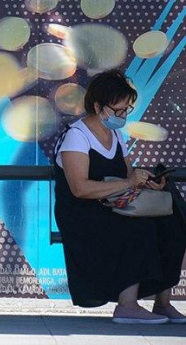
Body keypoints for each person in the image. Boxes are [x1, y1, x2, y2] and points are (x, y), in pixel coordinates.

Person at [53, 69, 186, 324]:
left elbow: (127, 176)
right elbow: (79, 188)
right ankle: (127, 305)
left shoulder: (116, 134)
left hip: (115, 204)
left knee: (172, 226)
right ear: (97, 106)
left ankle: (163, 302)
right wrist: (128, 182)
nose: (123, 116)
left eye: (127, 110)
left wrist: (147, 183)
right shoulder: (76, 136)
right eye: (118, 111)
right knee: (139, 228)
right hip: (84, 213)